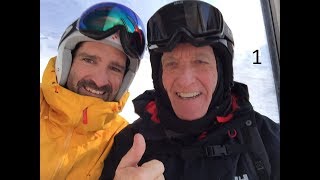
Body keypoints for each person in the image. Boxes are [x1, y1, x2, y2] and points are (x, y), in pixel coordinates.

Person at [100, 1, 280, 180]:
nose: (186, 81)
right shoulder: (128, 146)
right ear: (159, 76)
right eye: (172, 64)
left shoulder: (267, 138)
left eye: (200, 61)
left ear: (221, 72)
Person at [40, 2, 164, 179]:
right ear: (67, 61)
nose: (99, 81)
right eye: (89, 60)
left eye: (115, 68)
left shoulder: (125, 139)